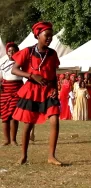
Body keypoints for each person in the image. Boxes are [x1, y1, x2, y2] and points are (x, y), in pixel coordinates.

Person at [11, 22, 62, 165]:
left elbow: (53, 75)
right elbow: (14, 70)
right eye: (47, 35)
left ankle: (51, 156)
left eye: (51, 36)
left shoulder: (52, 54)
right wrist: (31, 76)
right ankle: (23, 156)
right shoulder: (27, 52)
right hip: (32, 91)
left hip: (48, 91)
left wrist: (55, 91)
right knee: (28, 124)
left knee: (55, 121)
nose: (50, 38)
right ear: (38, 35)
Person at [0, 42, 22, 146]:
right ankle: (6, 140)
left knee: (14, 115)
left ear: (17, 51)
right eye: (9, 51)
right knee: (5, 116)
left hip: (17, 91)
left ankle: (13, 140)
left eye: (13, 50)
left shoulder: (21, 63)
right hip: (5, 91)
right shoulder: (2, 63)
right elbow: (1, 77)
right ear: (7, 52)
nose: (11, 52)